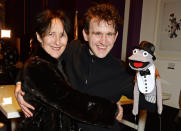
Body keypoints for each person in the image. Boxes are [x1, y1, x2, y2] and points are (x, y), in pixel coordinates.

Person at [15, 3, 134, 131]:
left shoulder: (121, 68)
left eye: (62, 35)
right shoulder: (73, 50)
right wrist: (112, 110)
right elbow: (69, 100)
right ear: (85, 34)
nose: (57, 41)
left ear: (116, 36)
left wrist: (151, 74)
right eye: (97, 33)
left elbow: (149, 100)